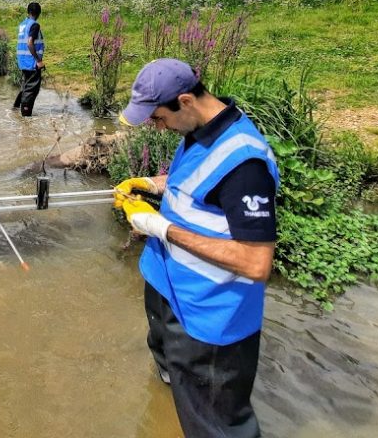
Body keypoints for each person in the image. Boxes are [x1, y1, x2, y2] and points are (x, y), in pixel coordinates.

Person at [119, 58, 280, 438]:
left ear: (186, 100)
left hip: (208, 316)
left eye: (157, 118)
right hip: (168, 289)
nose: (155, 128)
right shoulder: (196, 129)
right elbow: (194, 184)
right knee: (175, 384)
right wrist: (151, 184)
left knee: (216, 422)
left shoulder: (245, 164)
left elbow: (256, 263)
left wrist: (161, 227)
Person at [13, 2, 44, 116]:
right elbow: (30, 42)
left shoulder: (23, 24)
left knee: (25, 86)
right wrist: (39, 61)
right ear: (38, 13)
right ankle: (25, 117)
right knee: (31, 90)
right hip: (32, 63)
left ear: (28, 12)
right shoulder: (34, 25)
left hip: (23, 61)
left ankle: (16, 108)